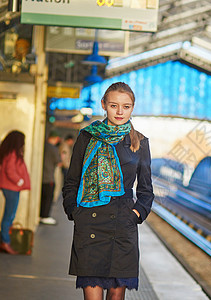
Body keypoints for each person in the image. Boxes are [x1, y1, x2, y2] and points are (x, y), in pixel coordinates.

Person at [62, 82, 154, 300]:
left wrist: (135, 215)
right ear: (104, 105)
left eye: (126, 106)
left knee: (116, 296)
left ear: (133, 107)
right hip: (90, 226)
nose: (120, 112)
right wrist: (75, 212)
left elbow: (146, 191)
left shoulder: (140, 142)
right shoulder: (87, 136)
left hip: (122, 227)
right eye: (114, 105)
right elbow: (72, 181)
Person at [0, 131, 30, 255]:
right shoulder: (13, 153)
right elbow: (10, 170)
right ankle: (5, 242)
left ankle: (4, 242)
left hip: (10, 188)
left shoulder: (9, 152)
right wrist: (19, 181)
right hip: (11, 188)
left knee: (9, 215)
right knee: (9, 216)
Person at [40, 130, 61, 225]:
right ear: (55, 139)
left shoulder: (42, 146)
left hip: (40, 177)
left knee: (41, 197)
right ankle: (45, 216)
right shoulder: (53, 149)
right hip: (49, 177)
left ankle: (40, 214)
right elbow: (59, 162)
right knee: (48, 197)